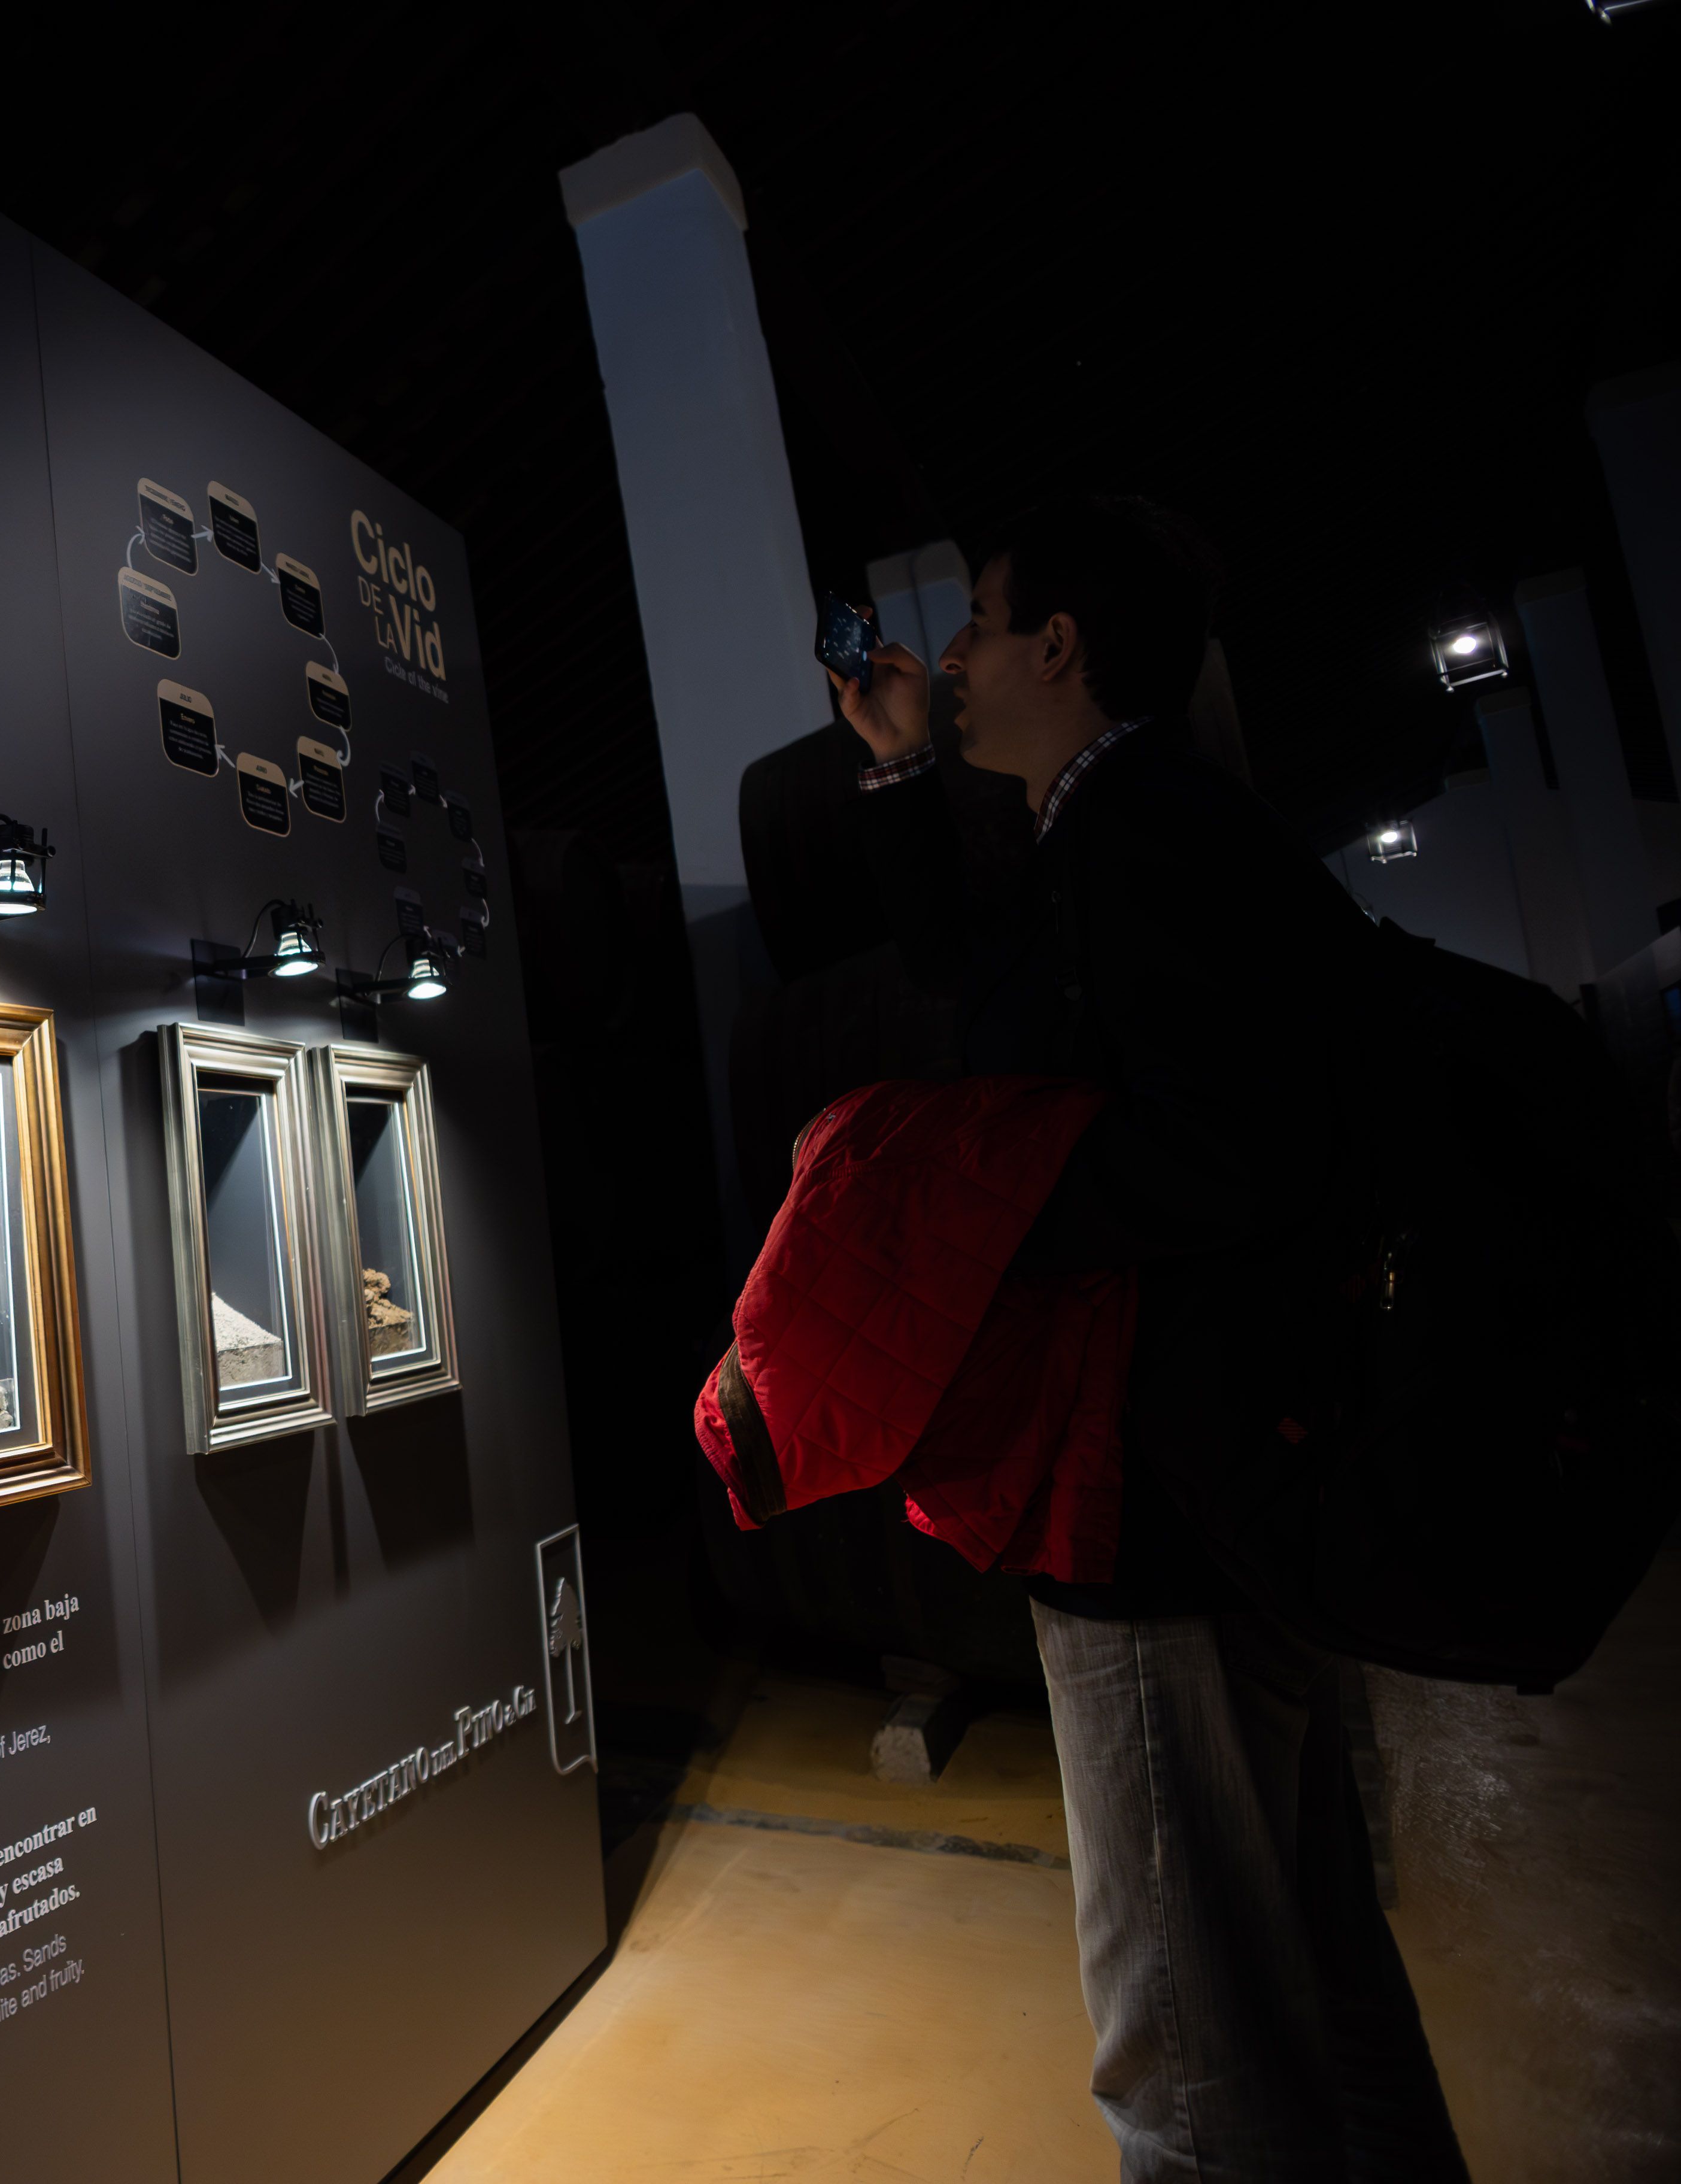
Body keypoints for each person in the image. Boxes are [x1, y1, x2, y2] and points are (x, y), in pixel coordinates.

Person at [829, 498, 1470, 2180]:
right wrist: (902, 774)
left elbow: (1230, 1146)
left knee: (1185, 2046)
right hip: (1227, 1489)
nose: (949, 654)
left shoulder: (1146, 838)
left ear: (1061, 649)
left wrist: (985, 1212)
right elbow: (979, 989)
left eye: (975, 621)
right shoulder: (1125, 829)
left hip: (1159, 1503)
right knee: (1313, 1979)